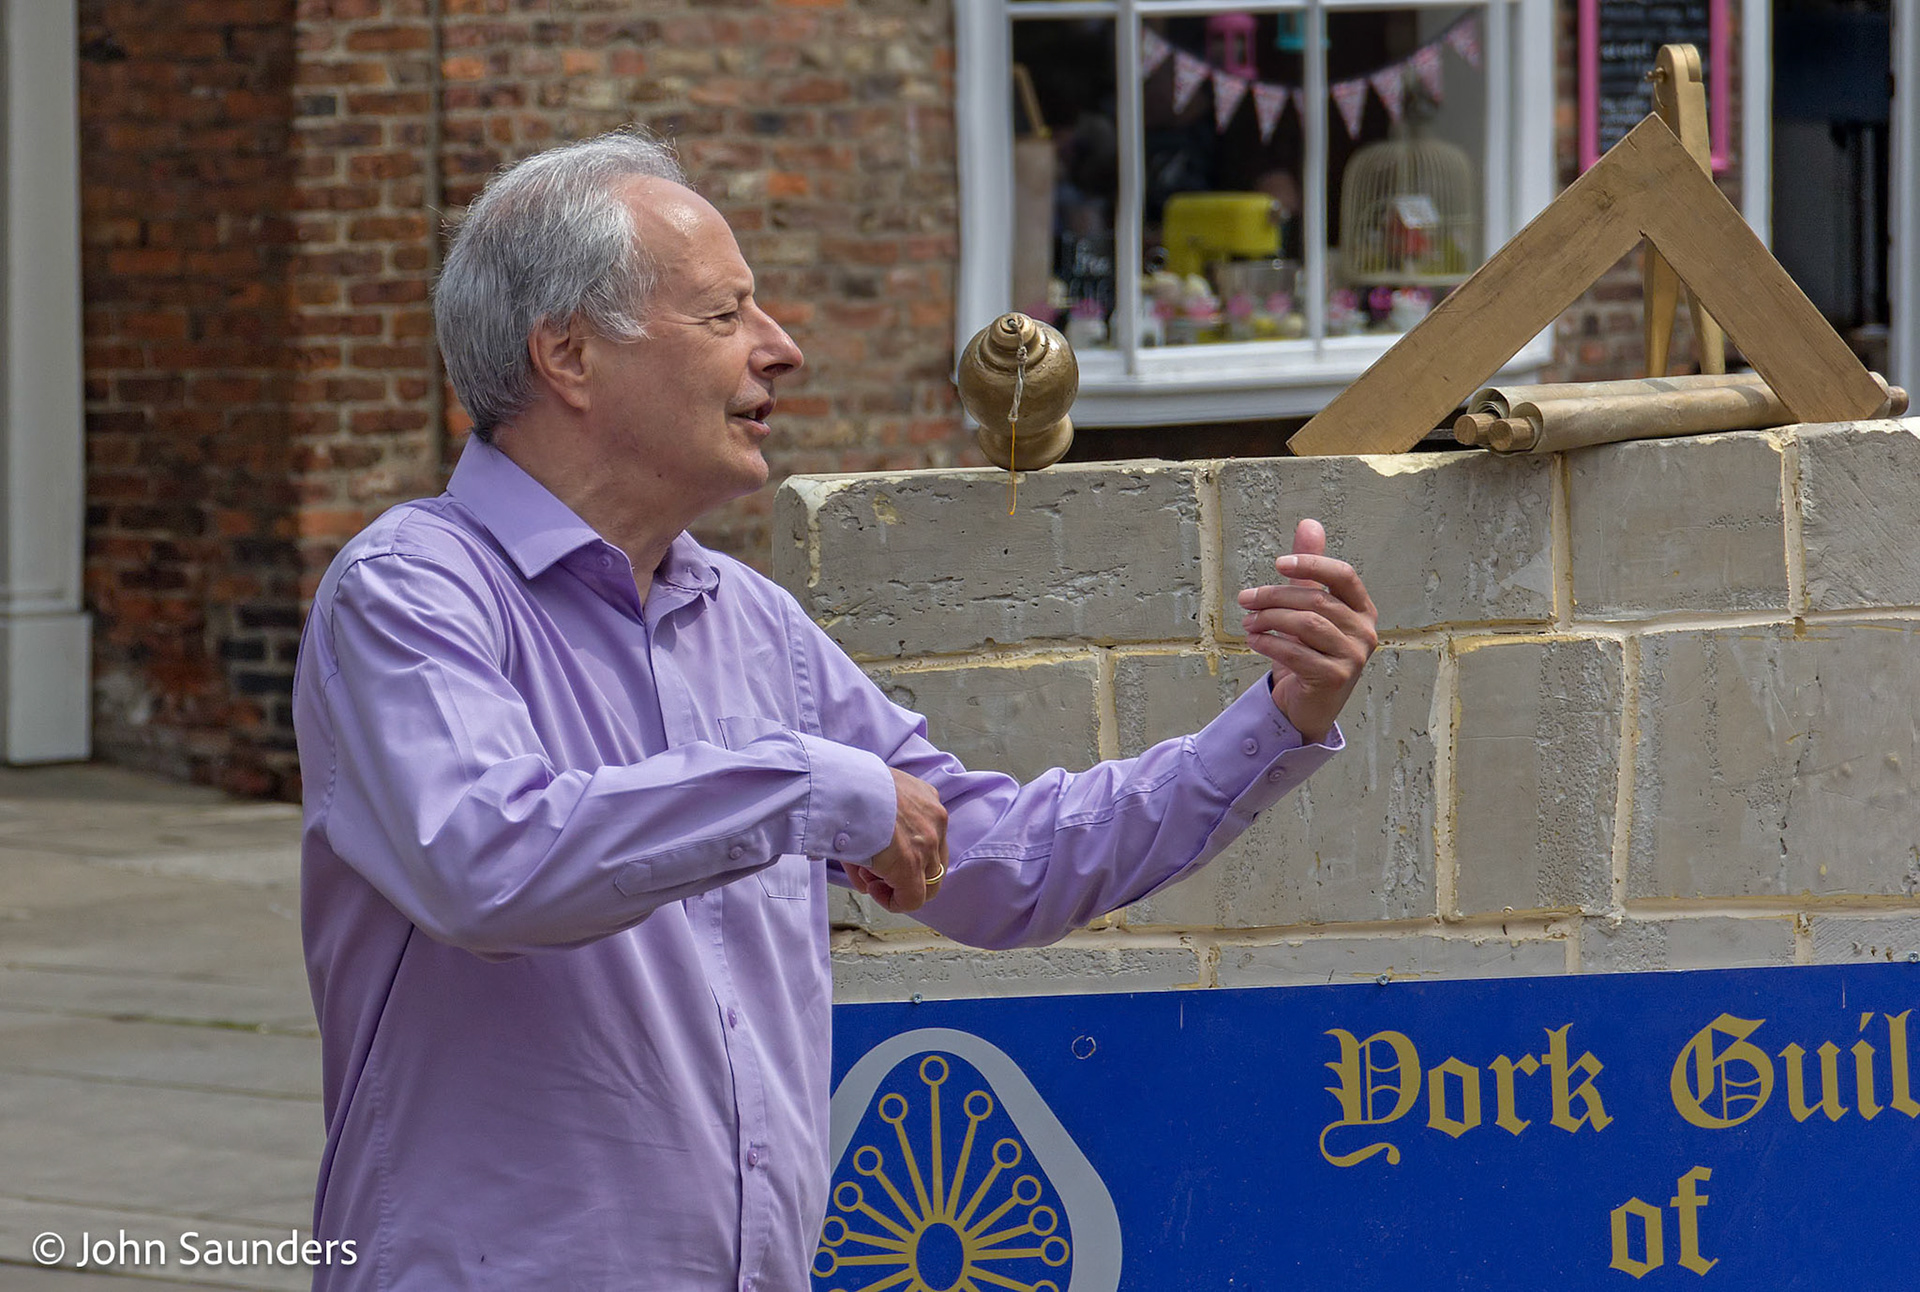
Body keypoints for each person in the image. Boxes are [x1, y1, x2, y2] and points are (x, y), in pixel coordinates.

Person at [293, 129, 1378, 1291]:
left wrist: (1279, 713)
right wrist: (811, 786)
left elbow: (994, 861)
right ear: (568, 355)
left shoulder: (746, 619)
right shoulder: (408, 589)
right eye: (725, 315)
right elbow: (486, 858)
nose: (783, 348)